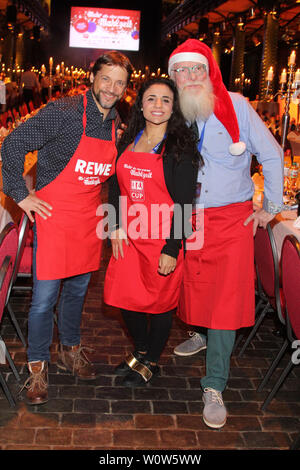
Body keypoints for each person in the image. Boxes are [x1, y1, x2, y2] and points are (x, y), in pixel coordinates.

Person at [1, 50, 133, 405]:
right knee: (44, 301)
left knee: (76, 293)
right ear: (93, 78)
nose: (111, 88)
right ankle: (37, 367)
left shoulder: (116, 121)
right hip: (54, 217)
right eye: (106, 79)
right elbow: (12, 144)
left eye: (119, 82)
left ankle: (70, 350)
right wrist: (19, 195)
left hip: (88, 219)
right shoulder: (64, 112)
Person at [168, 39, 283, 429]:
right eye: (181, 71)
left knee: (225, 299)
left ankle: (214, 383)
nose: (190, 76)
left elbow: (271, 154)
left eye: (196, 68)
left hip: (233, 219)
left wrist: (272, 207)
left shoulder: (236, 105)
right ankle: (201, 333)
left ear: (209, 71)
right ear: (174, 78)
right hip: (191, 217)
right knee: (193, 285)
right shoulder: (173, 112)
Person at [103, 77, 200, 386]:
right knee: (123, 298)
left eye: (166, 100)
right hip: (129, 237)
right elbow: (115, 185)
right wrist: (115, 224)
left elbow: (185, 203)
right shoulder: (128, 140)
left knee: (159, 305)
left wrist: (173, 247)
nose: (158, 105)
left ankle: (152, 360)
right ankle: (141, 349)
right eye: (152, 98)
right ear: (140, 104)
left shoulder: (180, 149)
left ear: (174, 108)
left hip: (163, 236)